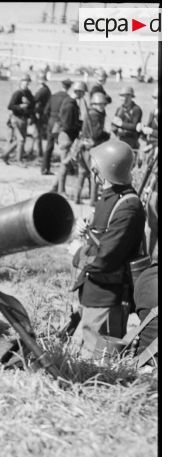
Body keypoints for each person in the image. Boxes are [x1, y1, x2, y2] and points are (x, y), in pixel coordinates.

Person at [71, 140, 146, 358]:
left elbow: (106, 259)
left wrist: (77, 253)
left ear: (105, 170)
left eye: (96, 166)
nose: (93, 169)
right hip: (92, 291)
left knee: (96, 361)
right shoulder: (110, 195)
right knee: (79, 355)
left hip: (107, 299)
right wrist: (84, 227)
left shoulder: (128, 206)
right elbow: (101, 235)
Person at [74, 91, 110, 205]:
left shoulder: (91, 113)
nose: (102, 107)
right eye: (100, 104)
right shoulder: (95, 115)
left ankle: (77, 197)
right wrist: (106, 135)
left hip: (84, 145)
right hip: (91, 148)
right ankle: (93, 199)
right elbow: (96, 134)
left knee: (82, 172)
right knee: (95, 173)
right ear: (94, 104)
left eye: (103, 104)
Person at [50, 81, 84, 194]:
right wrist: (80, 127)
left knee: (64, 164)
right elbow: (68, 125)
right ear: (78, 92)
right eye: (82, 92)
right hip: (66, 136)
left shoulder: (70, 102)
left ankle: (55, 187)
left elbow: (70, 121)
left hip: (65, 135)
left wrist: (80, 123)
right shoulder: (70, 105)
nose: (83, 95)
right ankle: (61, 191)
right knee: (65, 164)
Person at [1, 73, 34, 164]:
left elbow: (32, 106)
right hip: (16, 118)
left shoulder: (29, 94)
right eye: (24, 81)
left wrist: (31, 115)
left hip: (24, 119)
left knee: (20, 140)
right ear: (21, 82)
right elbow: (10, 106)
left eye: (27, 81)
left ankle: (5, 155)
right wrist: (20, 107)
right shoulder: (18, 93)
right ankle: (18, 160)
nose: (26, 83)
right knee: (21, 140)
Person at [41, 78, 72, 175]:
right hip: (60, 124)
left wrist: (49, 121)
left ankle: (44, 168)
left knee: (49, 146)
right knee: (65, 146)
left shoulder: (53, 96)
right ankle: (69, 170)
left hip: (51, 122)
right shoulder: (68, 98)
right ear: (69, 87)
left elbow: (45, 111)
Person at [111, 85, 142, 151]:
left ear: (131, 97)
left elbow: (135, 126)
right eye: (122, 96)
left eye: (127, 96)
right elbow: (113, 124)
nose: (125, 99)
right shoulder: (119, 109)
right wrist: (116, 130)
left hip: (131, 140)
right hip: (120, 139)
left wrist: (121, 124)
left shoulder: (136, 109)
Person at [30, 70, 52, 159]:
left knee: (37, 134)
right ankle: (32, 150)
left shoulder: (43, 90)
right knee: (36, 133)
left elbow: (34, 100)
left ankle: (39, 154)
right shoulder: (45, 89)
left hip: (40, 114)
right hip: (42, 114)